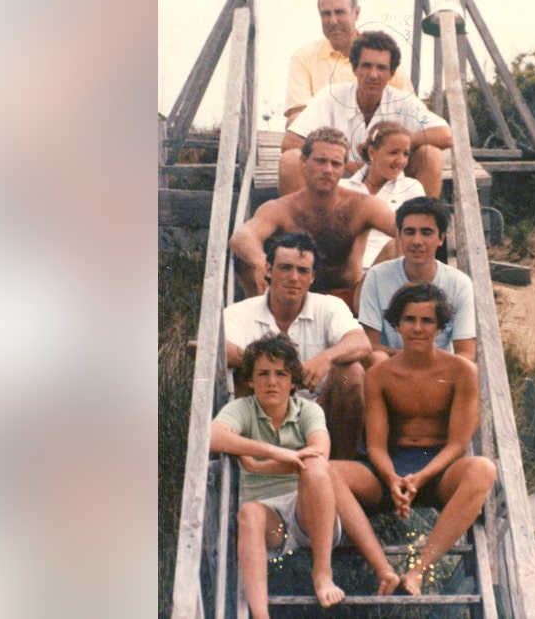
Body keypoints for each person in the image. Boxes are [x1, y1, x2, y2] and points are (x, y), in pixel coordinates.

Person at [329, 283, 497, 596]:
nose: (417, 329)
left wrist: (421, 477)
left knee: (483, 469)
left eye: (427, 321)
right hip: (389, 468)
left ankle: (417, 571)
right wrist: (393, 479)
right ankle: (384, 571)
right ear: (397, 324)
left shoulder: (462, 371)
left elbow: (458, 444)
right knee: (327, 472)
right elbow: (376, 445)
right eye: (410, 320)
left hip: (439, 469)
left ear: (440, 326)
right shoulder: (380, 374)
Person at [210, 333, 345, 616]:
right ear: (250, 380)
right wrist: (278, 452)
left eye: (281, 374)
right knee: (248, 513)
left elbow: (318, 452)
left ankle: (322, 573)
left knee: (318, 467)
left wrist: (258, 464)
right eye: (263, 374)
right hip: (271, 523)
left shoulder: (307, 410)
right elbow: (210, 436)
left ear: (293, 381)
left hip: (308, 512)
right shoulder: (242, 409)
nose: (272, 382)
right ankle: (260, 615)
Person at [224, 231, 371, 460]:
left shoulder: (329, 306)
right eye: (285, 268)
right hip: (266, 415)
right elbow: (220, 348)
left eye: (302, 271)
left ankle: (341, 465)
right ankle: (257, 466)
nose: (294, 277)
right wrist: (276, 366)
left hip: (321, 416)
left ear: (312, 277)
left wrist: (325, 358)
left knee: (351, 372)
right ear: (268, 270)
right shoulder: (240, 312)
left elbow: (361, 342)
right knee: (242, 373)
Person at [231, 127, 398, 313]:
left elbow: (406, 228)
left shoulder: (362, 205)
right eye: (320, 161)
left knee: (397, 247)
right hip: (294, 294)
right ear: (304, 161)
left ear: (344, 168)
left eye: (335, 164)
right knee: (246, 260)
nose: (328, 170)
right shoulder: (282, 208)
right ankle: (262, 325)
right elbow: (242, 235)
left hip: (350, 299)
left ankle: (395, 322)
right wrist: (260, 261)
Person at [279, 31, 452, 198]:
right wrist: (345, 163)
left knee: (432, 155)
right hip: (334, 182)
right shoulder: (331, 96)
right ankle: (302, 228)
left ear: (391, 73)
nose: (373, 75)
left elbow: (446, 135)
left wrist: (401, 142)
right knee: (291, 160)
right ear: (354, 68)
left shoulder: (402, 101)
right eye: (366, 66)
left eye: (382, 68)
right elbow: (291, 143)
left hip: (389, 185)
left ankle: (422, 222)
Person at [359, 196, 476, 365]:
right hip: (391, 368)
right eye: (409, 232)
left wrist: (427, 366)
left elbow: (466, 352)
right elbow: (370, 345)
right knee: (376, 358)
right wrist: (412, 361)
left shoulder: (459, 283)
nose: (417, 241)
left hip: (439, 372)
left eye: (426, 232)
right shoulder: (377, 276)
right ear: (399, 235)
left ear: (441, 238)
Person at [283, 0, 413, 128]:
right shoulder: (304, 57)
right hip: (326, 144)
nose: (333, 21)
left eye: (339, 12)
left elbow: (410, 113)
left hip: (378, 143)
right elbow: (297, 117)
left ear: (356, 13)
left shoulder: (383, 56)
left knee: (429, 150)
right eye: (326, 14)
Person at [343, 120, 426, 270]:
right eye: (393, 152)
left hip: (388, 270)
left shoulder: (411, 188)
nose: (400, 161)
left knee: (398, 243)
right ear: (372, 153)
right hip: (348, 270)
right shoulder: (344, 187)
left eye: (405, 154)